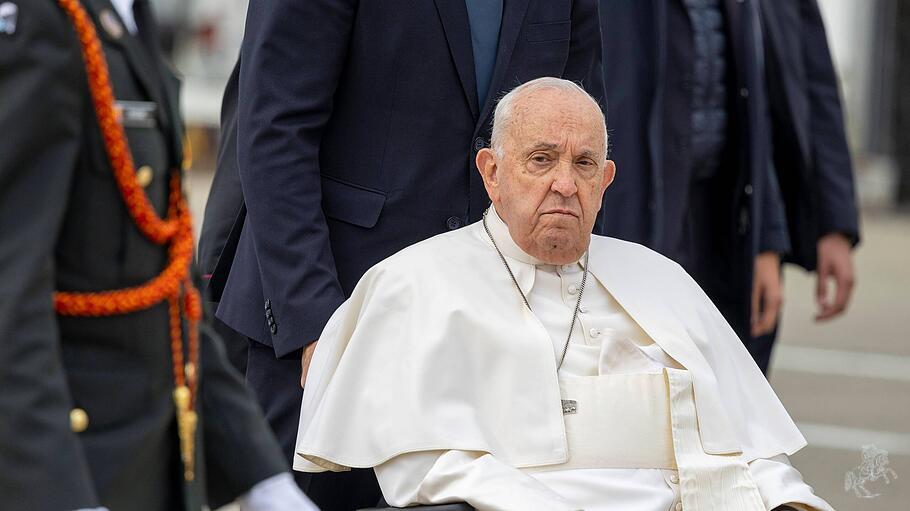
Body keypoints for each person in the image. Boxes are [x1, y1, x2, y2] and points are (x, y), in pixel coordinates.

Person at [293, 78, 833, 511]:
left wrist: (789, 499)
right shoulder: (413, 284)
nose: (565, 185)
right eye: (541, 159)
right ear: (492, 172)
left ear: (607, 180)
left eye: (584, 164)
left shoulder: (663, 280)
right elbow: (427, 466)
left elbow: (749, 447)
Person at [205, 1, 604, 508]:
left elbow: (586, 133)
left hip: (491, 338)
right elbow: (274, 132)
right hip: (331, 323)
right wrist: (320, 329)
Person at [0, 1, 315, 509]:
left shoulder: (123, 16)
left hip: (149, 469)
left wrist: (262, 478)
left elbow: (171, 298)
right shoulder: (37, 23)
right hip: (68, 468)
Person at [597, 0, 790, 365]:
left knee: (724, 387)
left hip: (721, 219)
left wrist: (765, 241)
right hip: (629, 215)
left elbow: (754, 108)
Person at [756, 0, 860, 371]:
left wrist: (835, 224)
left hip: (753, 223)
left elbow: (817, 88)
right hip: (654, 214)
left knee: (741, 402)